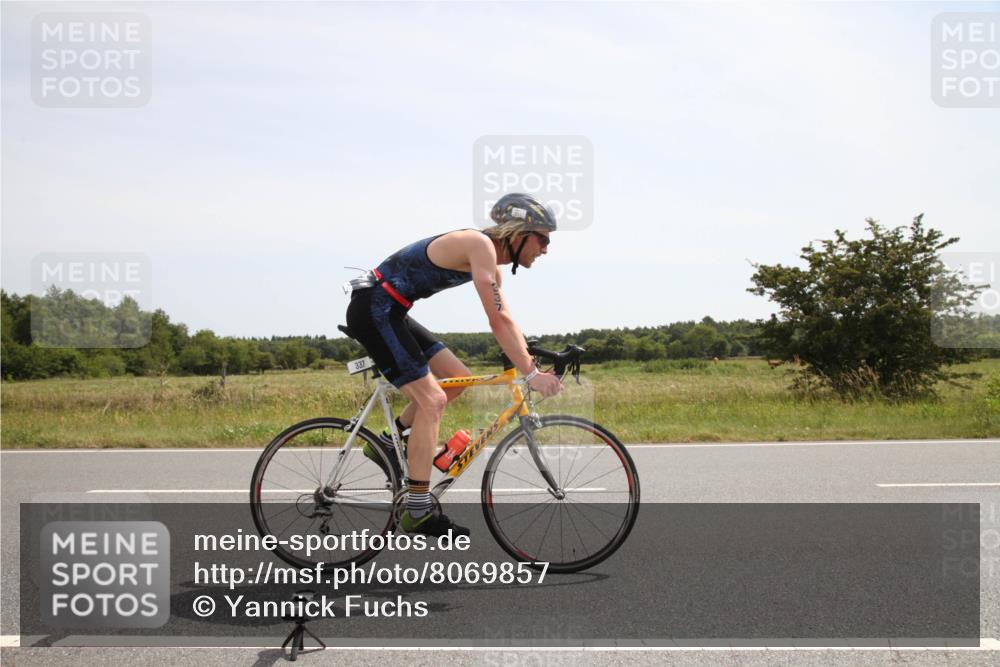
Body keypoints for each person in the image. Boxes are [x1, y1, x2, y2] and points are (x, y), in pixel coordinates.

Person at [344, 193, 564, 537]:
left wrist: (530, 359)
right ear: (519, 232)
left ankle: (389, 441)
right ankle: (418, 510)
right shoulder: (480, 246)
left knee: (458, 379)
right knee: (432, 400)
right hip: (375, 309)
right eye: (543, 238)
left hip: (391, 309)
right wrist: (531, 375)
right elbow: (497, 319)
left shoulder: (491, 263)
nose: (547, 248)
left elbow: (505, 318)